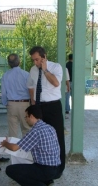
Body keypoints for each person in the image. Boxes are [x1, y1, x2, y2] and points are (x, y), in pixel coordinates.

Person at [0, 105, 60, 186]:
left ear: (31, 116)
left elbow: (14, 148)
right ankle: (47, 181)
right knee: (28, 164)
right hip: (56, 168)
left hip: (45, 169)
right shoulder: (50, 127)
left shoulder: (35, 131)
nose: (26, 120)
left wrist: (5, 143)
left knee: (10, 170)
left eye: (26, 117)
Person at [27, 46, 65, 176]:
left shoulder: (56, 67)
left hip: (53, 107)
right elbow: (31, 86)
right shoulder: (32, 70)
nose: (35, 63)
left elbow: (56, 83)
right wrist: (33, 102)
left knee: (57, 136)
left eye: (37, 59)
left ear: (44, 57)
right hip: (39, 107)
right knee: (40, 137)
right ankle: (42, 165)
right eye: (33, 60)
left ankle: (59, 168)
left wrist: (45, 70)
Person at [1, 53, 31, 137]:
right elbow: (30, 89)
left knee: (12, 131)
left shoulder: (5, 76)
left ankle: (12, 149)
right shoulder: (26, 74)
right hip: (25, 104)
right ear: (19, 61)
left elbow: (3, 93)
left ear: (9, 64)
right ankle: (26, 148)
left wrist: (5, 103)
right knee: (26, 128)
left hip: (11, 104)